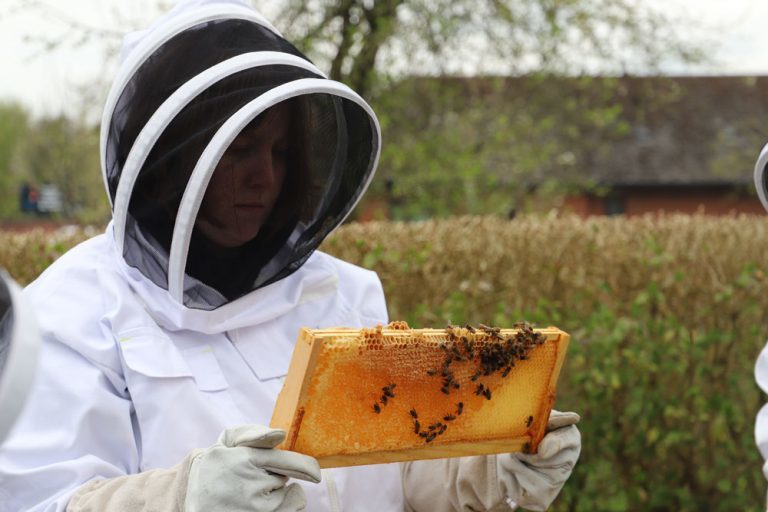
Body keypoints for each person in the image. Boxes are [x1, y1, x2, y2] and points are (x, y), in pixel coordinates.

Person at [0, 1, 581, 511]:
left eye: (281, 150)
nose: (265, 177)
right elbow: (42, 500)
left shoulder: (342, 294)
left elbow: (396, 474)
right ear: (169, 163)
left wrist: (490, 469)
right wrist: (182, 499)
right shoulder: (71, 315)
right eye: (240, 149)